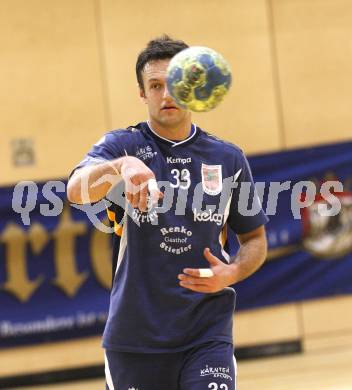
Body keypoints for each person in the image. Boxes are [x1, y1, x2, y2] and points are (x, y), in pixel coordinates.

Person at [67, 35, 268, 390]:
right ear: (142, 93)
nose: (165, 94)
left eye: (173, 83)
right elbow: (75, 190)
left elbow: (254, 239)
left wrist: (234, 271)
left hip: (206, 333)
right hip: (135, 340)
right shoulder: (121, 146)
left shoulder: (228, 159)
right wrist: (122, 168)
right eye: (155, 86)